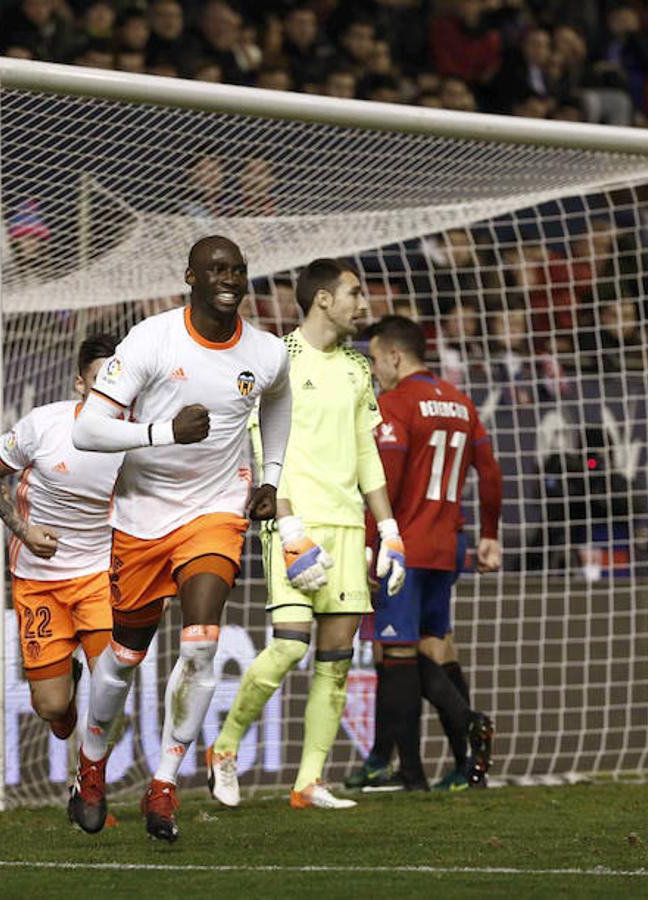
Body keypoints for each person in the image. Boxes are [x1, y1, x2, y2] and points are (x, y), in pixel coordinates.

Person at [67, 235, 291, 843]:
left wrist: (269, 477)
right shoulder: (151, 339)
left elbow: (278, 402)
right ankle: (92, 765)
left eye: (238, 269)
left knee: (200, 646)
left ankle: (164, 782)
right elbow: (88, 431)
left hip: (215, 512)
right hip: (141, 516)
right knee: (124, 659)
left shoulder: (267, 352)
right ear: (190, 275)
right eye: (216, 268)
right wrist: (164, 432)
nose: (229, 278)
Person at [205, 258, 409, 811]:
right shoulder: (279, 360)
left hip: (347, 526)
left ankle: (309, 782)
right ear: (323, 299)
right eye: (354, 294)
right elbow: (262, 443)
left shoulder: (357, 369)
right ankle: (222, 750)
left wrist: (388, 528)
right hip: (295, 522)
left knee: (337, 659)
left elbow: (367, 452)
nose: (362, 305)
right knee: (288, 647)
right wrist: (288, 523)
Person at [344, 314, 500, 792]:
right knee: (433, 648)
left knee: (397, 655)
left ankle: (416, 767)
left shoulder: (394, 404)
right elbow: (490, 473)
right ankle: (464, 763)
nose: (373, 370)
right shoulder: (459, 402)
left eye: (374, 360)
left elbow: (381, 483)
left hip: (405, 547)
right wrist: (489, 534)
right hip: (448, 546)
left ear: (394, 355)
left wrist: (373, 545)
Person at [0, 334, 123, 740]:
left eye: (118, 382)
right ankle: (65, 685)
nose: (110, 395)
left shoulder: (138, 439)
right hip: (40, 580)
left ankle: (89, 795)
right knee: (54, 709)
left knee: (111, 696)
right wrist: (23, 530)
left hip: (99, 577)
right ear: (80, 384)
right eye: (99, 383)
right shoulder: (43, 425)